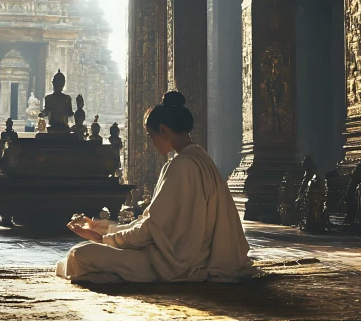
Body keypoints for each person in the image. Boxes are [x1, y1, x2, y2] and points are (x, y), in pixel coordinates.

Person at [56, 91, 254, 283]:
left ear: (163, 130)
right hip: (191, 256)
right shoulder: (202, 159)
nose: (151, 143)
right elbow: (154, 223)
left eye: (150, 136)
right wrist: (105, 228)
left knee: (78, 255)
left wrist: (103, 238)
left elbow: (148, 231)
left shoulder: (180, 166)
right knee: (90, 254)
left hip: (170, 264)